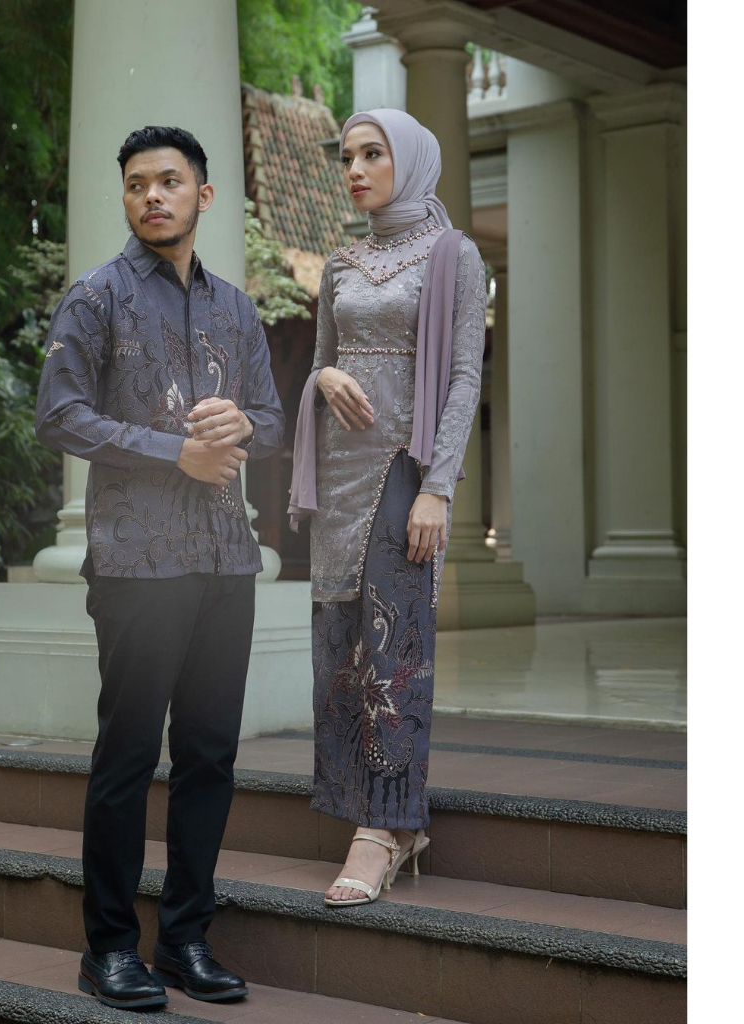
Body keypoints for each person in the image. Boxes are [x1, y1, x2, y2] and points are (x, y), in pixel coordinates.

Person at [35, 125, 285, 1008]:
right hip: (138, 564)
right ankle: (108, 947)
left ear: (202, 196)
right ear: (127, 196)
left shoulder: (237, 310)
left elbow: (272, 420)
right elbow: (58, 415)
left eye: (170, 181)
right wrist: (170, 450)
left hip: (226, 561)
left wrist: (244, 426)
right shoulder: (95, 297)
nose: (153, 195)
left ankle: (184, 939)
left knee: (210, 755)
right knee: (130, 756)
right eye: (138, 182)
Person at [288, 109, 486, 906]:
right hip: (337, 475)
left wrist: (439, 485)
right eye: (347, 158)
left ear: (409, 159)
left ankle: (387, 828)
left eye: (373, 154)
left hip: (405, 468)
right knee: (341, 645)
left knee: (393, 645)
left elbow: (465, 375)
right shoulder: (340, 264)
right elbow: (320, 363)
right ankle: (371, 813)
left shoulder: (453, 255)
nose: (356, 170)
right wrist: (323, 379)